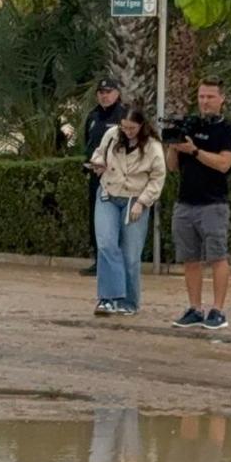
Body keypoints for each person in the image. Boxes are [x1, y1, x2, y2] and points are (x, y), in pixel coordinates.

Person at [167, 78, 231, 330]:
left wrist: (195, 151)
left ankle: (218, 310)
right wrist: (174, 145)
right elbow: (172, 167)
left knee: (217, 257)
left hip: (213, 204)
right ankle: (195, 308)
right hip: (185, 202)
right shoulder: (190, 124)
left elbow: (224, 164)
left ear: (222, 99)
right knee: (190, 259)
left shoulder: (228, 129)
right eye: (201, 97)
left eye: (210, 97)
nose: (205, 102)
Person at [88, 105, 166, 316]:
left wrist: (142, 202)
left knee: (130, 254)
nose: (128, 132)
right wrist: (98, 164)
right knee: (106, 244)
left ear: (141, 126)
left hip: (135, 199)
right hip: (108, 193)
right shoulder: (112, 136)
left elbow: (157, 178)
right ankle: (107, 298)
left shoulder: (153, 147)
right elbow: (99, 153)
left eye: (132, 128)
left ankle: (129, 301)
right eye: (124, 127)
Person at [78, 78, 125, 276]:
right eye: (101, 92)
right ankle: (99, 261)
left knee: (117, 222)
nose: (104, 96)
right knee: (95, 219)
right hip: (96, 177)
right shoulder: (93, 116)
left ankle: (117, 263)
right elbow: (88, 144)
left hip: (118, 179)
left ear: (117, 93)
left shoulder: (124, 116)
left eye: (108, 91)